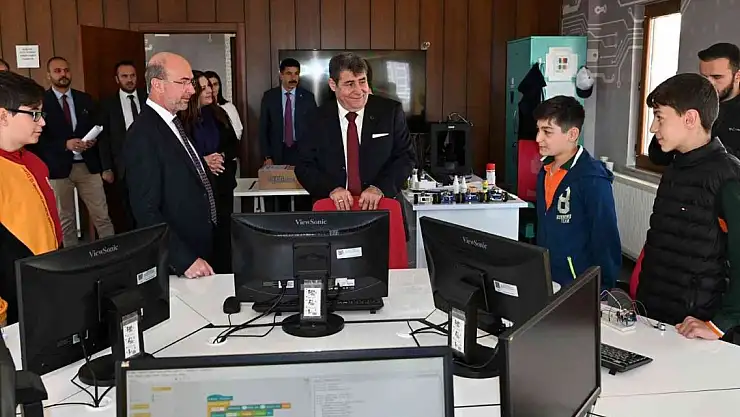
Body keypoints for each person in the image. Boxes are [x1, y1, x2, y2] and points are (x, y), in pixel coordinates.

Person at [636, 73, 740, 341]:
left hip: (696, 327)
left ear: (690, 119)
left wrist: (719, 324)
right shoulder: (676, 167)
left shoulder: (728, 176)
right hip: (655, 315)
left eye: (659, 117)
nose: (653, 128)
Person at [124, 52, 217, 279]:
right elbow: (145, 210)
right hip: (179, 262)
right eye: (183, 82)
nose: (192, 90)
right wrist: (183, 259)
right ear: (158, 85)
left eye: (191, 83)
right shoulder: (143, 134)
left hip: (198, 246)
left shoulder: (174, 122)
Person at [295, 52, 415, 211]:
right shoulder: (314, 119)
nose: (359, 91)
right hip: (334, 208)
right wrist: (331, 189)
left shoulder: (390, 112)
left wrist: (379, 188)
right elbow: (304, 165)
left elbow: (405, 157)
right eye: (350, 84)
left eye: (362, 81)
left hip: (381, 205)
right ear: (333, 85)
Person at [533, 95, 621, 289]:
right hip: (548, 276)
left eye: (547, 132)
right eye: (538, 130)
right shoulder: (545, 170)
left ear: (572, 134)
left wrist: (603, 288)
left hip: (579, 283)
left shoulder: (592, 178)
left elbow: (605, 236)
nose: (538, 138)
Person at [28, 56, 114, 247]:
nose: (63, 74)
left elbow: (99, 128)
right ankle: (72, 258)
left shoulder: (85, 99)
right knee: (65, 220)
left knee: (102, 215)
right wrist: (64, 145)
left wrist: (92, 141)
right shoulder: (42, 102)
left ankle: (112, 252)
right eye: (57, 71)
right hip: (57, 168)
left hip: (87, 165)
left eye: (66, 70)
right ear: (48, 75)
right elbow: (37, 140)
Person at [0, 71, 62, 325]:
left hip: (47, 278)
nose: (42, 122)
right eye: (34, 114)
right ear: (3, 115)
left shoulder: (35, 162)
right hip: (12, 297)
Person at [178, 70, 239, 273]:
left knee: (224, 235)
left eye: (210, 86)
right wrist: (204, 161)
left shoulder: (219, 113)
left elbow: (234, 145)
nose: (209, 91)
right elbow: (179, 154)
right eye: (203, 88)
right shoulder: (181, 120)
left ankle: (225, 274)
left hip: (222, 184)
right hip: (197, 189)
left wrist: (221, 155)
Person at [649, 42, 740, 164]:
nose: (710, 83)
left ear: (737, 76)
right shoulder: (691, 101)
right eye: (704, 77)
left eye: (717, 77)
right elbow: (657, 156)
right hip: (682, 174)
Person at [98, 60, 147, 232]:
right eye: (124, 76)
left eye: (132, 76)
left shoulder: (148, 99)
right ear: (117, 79)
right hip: (122, 166)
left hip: (148, 161)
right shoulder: (107, 104)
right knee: (125, 208)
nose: (129, 80)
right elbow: (103, 138)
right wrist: (106, 168)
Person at [259, 58, 317, 167]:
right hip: (277, 151)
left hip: (302, 152)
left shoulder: (308, 97)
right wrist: (267, 156)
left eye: (296, 74)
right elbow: (263, 128)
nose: (293, 78)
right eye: (289, 74)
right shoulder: (269, 97)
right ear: (281, 75)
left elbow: (314, 128)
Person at [204, 70, 243, 140]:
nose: (213, 88)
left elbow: (238, 130)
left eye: (215, 84)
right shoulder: (203, 109)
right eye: (210, 85)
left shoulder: (229, 107)